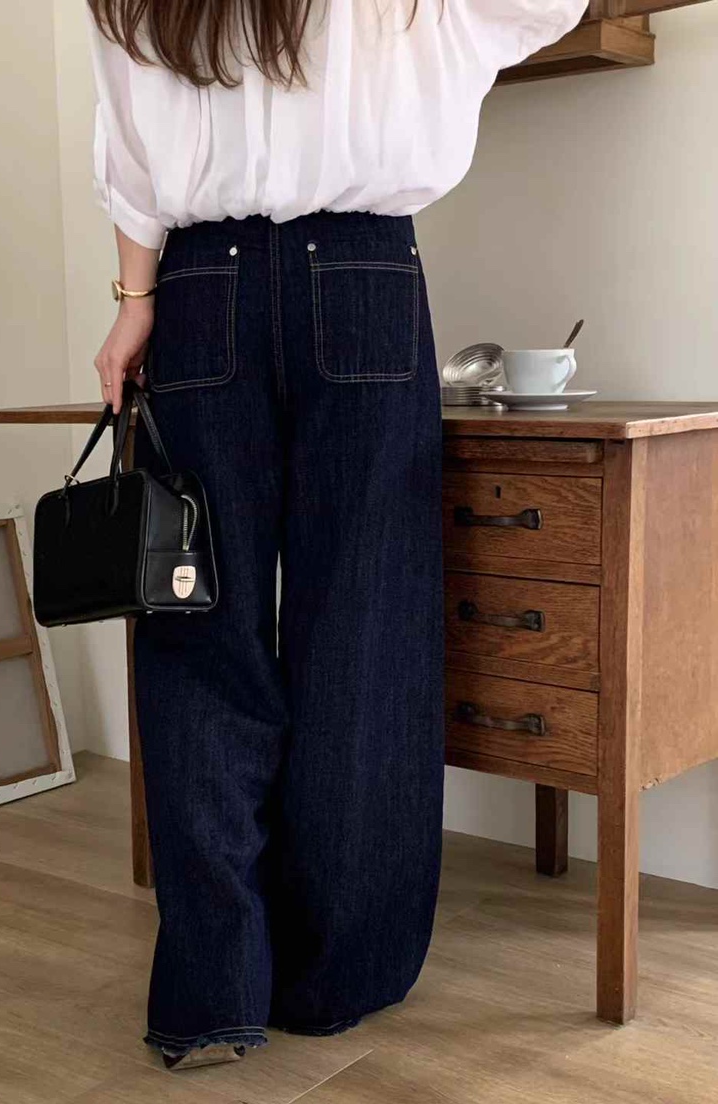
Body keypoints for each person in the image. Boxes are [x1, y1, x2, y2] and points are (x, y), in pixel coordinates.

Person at [85, 0, 587, 1070]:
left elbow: (128, 145)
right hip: (363, 280)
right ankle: (334, 977)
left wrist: (134, 300)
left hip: (198, 289)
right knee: (365, 633)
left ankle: (211, 992)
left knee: (199, 634)